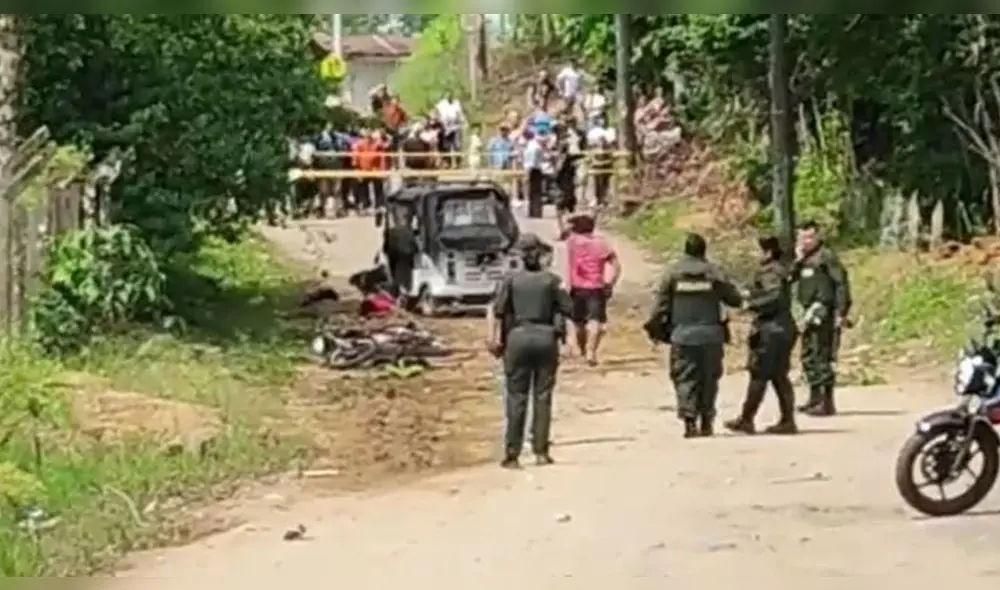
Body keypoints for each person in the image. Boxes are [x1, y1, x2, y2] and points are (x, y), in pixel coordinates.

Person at [486, 233, 572, 469]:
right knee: (543, 397)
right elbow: (568, 309)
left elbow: (498, 312)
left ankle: (512, 454)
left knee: (516, 396)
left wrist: (493, 339)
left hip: (517, 339)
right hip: (546, 339)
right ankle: (541, 452)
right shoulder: (552, 281)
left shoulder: (510, 281)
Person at [647, 233, 743, 438]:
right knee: (709, 379)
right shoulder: (714, 273)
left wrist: (654, 329)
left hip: (683, 336)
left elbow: (660, 307)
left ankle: (689, 421)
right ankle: (707, 421)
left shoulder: (672, 274)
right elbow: (734, 299)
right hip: (711, 335)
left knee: (685, 377)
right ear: (703, 250)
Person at [725, 236, 798, 435]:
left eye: (758, 251)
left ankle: (747, 419)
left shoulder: (772, 272)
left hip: (772, 330)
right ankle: (787, 420)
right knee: (778, 376)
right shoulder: (777, 270)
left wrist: (751, 305)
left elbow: (775, 297)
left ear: (767, 252)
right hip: (781, 328)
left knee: (760, 374)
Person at [793, 220, 852, 417]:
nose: (806, 241)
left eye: (810, 237)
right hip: (807, 312)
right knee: (808, 355)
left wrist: (841, 312)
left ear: (818, 236)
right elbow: (789, 277)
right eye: (802, 237)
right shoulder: (803, 259)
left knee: (822, 355)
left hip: (823, 312)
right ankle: (814, 397)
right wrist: (798, 259)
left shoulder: (826, 257)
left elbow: (841, 284)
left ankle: (827, 402)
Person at [565, 213, 620, 366]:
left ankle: (582, 349)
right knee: (596, 321)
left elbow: (565, 230)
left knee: (578, 323)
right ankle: (591, 352)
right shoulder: (602, 244)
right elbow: (616, 266)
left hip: (577, 288)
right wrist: (611, 283)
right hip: (596, 287)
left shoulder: (572, 242)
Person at [435, 92, 465, 165]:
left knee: (456, 146)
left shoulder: (456, 103)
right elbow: (437, 111)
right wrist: (439, 119)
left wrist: (462, 121)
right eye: (447, 96)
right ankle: (449, 162)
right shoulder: (442, 104)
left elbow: (460, 114)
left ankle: (456, 162)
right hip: (446, 128)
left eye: (450, 96)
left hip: (455, 127)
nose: (449, 98)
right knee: (447, 146)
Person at [522, 130, 545, 219]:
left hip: (533, 170)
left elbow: (530, 162)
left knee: (534, 192)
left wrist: (527, 174)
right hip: (537, 169)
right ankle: (535, 212)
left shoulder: (532, 147)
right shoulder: (535, 146)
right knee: (535, 192)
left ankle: (535, 212)